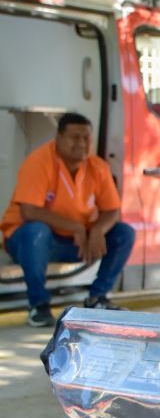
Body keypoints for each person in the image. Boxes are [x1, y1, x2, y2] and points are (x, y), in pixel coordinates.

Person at [1, 112, 135, 326]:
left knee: (124, 233)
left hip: (76, 242)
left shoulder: (97, 166)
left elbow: (112, 211)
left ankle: (97, 298)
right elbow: (30, 211)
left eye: (86, 138)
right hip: (29, 242)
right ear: (59, 138)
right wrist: (76, 228)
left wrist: (98, 230)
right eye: (75, 137)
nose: (82, 144)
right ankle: (38, 305)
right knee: (37, 231)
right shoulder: (39, 161)